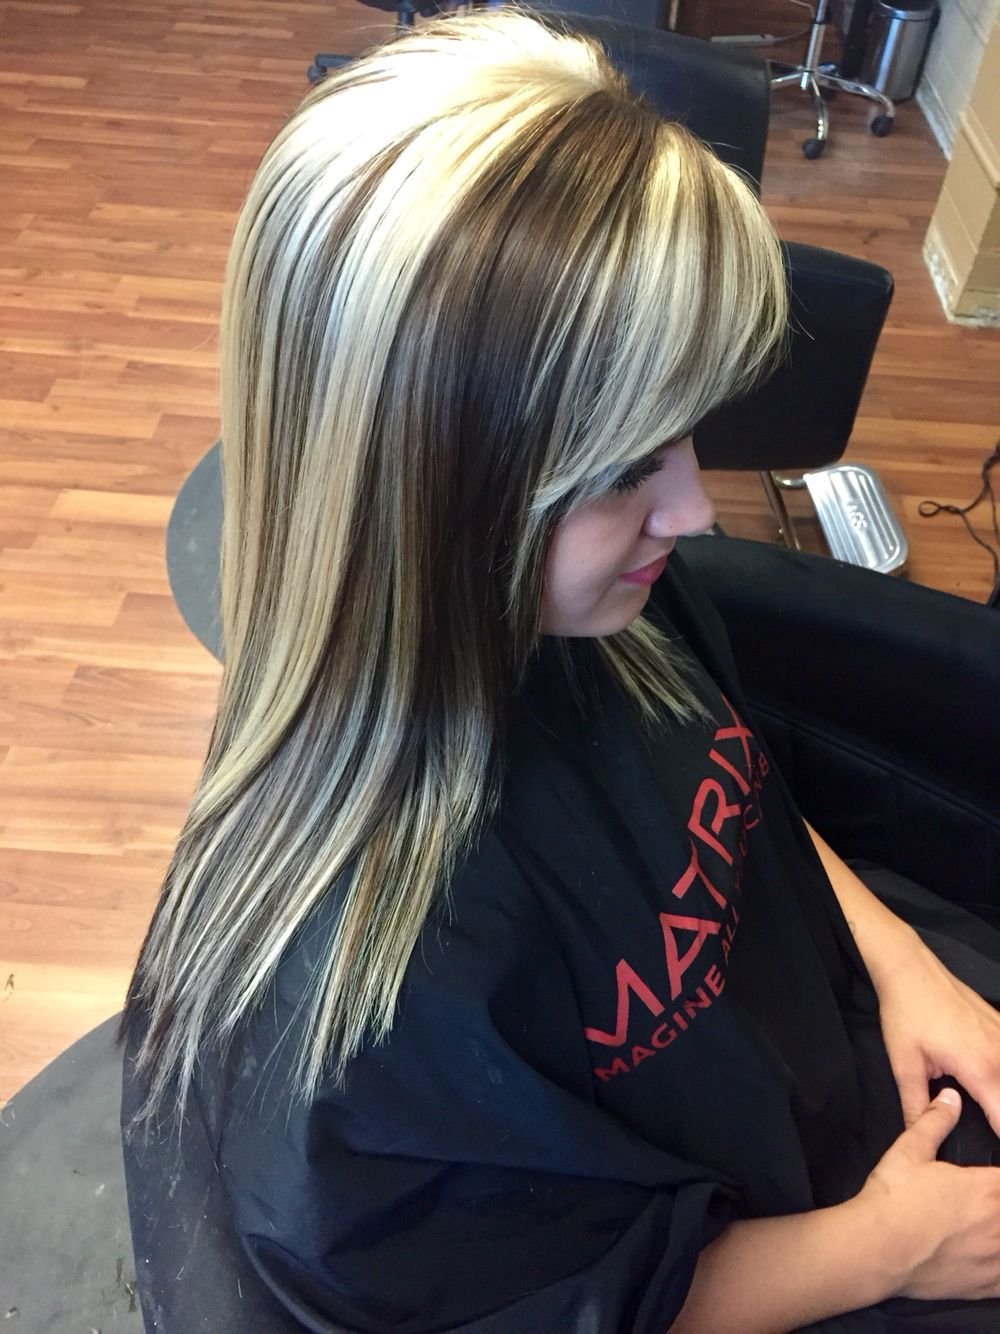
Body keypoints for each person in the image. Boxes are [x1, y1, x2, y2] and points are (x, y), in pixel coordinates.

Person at [118, 10, 1000, 1331]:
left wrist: (898, 962)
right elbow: (569, 1307)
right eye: (628, 468)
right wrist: (886, 1249)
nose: (695, 510)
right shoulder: (357, 1027)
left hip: (834, 1056)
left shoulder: (591, 610)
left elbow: (724, 796)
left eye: (682, 435)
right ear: (431, 494)